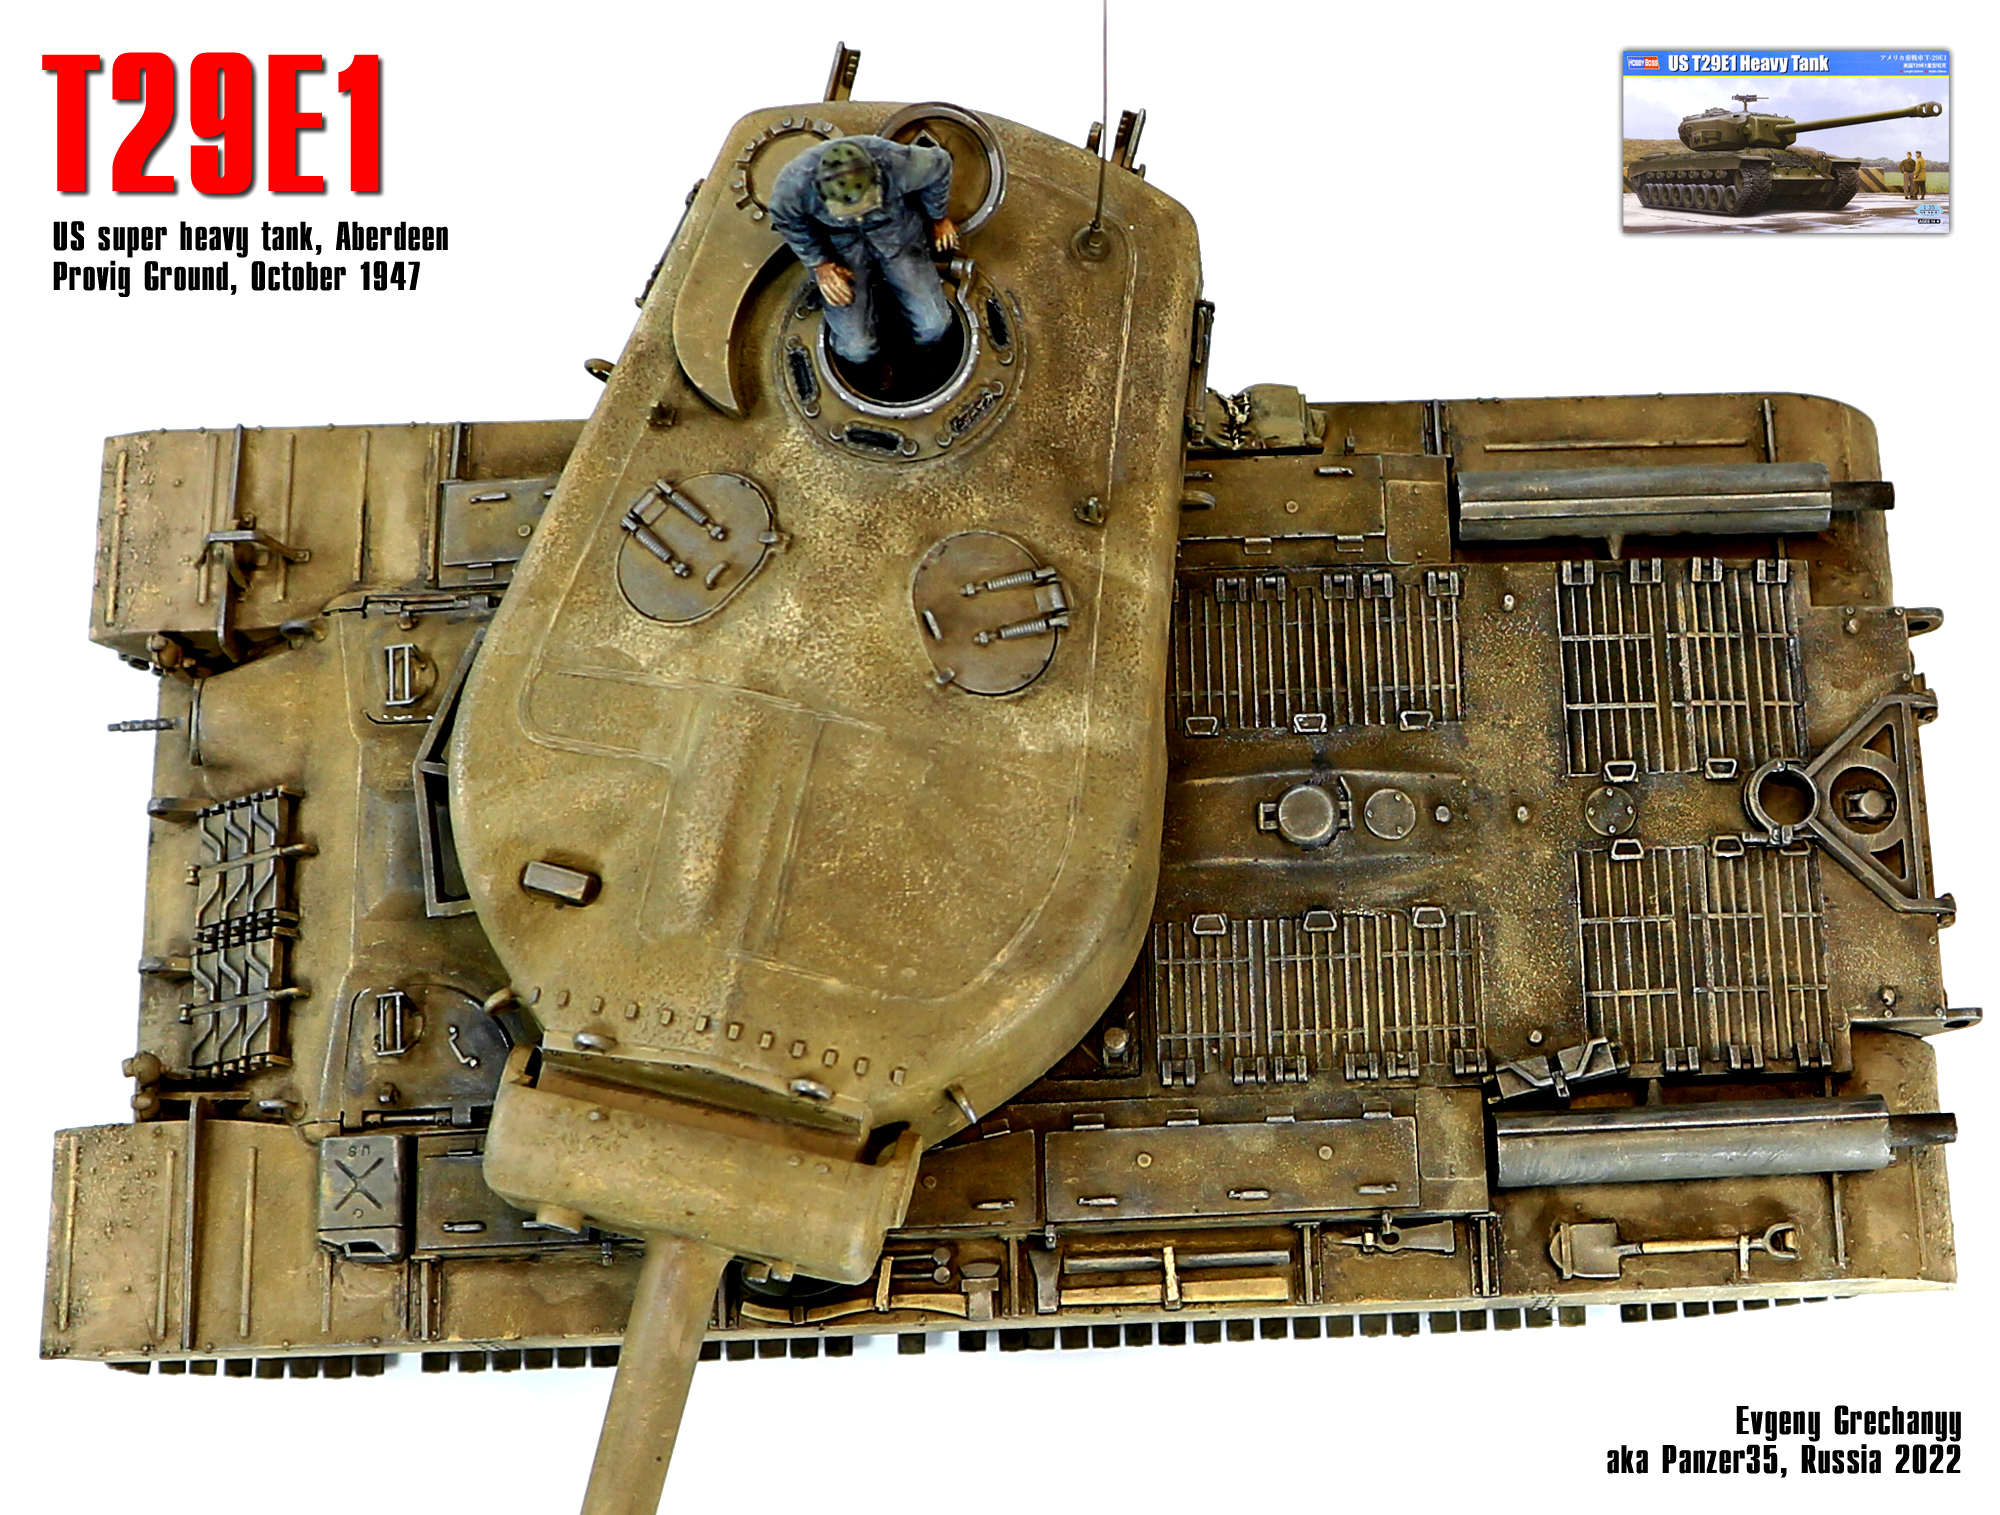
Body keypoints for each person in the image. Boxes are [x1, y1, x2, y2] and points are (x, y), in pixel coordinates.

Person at [769, 136, 958, 370]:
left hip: (894, 232)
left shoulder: (894, 162)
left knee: (934, 325)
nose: (859, 214)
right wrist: (820, 264)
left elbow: (940, 165)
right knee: (855, 348)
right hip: (839, 245)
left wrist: (939, 218)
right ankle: (874, 367)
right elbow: (786, 219)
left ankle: (923, 361)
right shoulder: (794, 185)